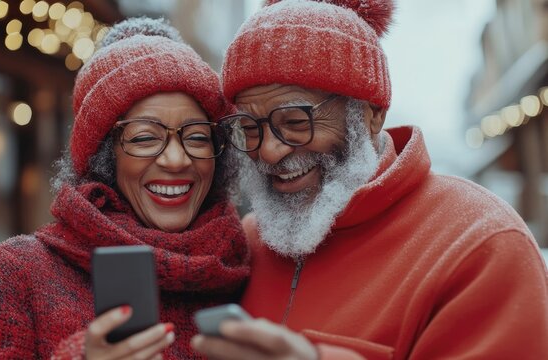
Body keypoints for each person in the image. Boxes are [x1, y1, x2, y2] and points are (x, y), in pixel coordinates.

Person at [192, 0, 548, 359]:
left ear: (371, 114)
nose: (268, 151)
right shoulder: (247, 240)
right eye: (249, 129)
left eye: (296, 122)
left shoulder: (480, 243)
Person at [0, 17, 250, 360]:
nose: (175, 159)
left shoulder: (244, 264)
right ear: (103, 157)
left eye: (197, 136)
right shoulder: (15, 273)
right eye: (144, 137)